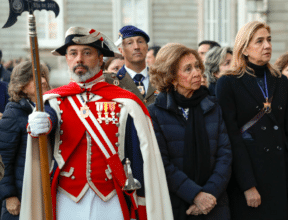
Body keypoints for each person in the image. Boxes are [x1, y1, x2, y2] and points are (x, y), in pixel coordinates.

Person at [20, 27, 173, 220]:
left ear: (100, 59)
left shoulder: (125, 101)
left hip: (112, 198)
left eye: (87, 53)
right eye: (73, 53)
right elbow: (49, 119)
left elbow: (139, 154)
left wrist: (142, 200)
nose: (79, 59)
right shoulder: (53, 101)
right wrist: (38, 122)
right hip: (67, 198)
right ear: (66, 58)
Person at [216, 20, 288, 220]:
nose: (267, 45)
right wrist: (248, 185)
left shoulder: (280, 80)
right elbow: (232, 137)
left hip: (278, 174)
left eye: (269, 40)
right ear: (245, 48)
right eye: (259, 41)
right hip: (249, 177)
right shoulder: (228, 82)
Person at [147, 43, 232, 219]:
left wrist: (209, 195)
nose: (197, 72)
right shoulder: (155, 113)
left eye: (197, 66)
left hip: (215, 203)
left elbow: (225, 155)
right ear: (171, 77)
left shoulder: (212, 106)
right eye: (188, 69)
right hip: (176, 204)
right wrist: (195, 195)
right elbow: (161, 163)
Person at [0, 61, 50, 220]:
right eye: (35, 77)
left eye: (43, 76)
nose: (43, 81)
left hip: (43, 193)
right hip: (21, 197)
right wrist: (9, 196)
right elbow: (3, 159)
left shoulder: (49, 109)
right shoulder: (13, 114)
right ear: (21, 85)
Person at [105, 25, 157, 106]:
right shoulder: (112, 81)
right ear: (121, 50)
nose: (136, 47)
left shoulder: (160, 78)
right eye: (129, 43)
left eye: (140, 42)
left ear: (147, 47)